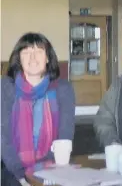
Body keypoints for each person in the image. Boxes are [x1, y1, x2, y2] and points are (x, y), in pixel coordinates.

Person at [1, 33, 75, 184]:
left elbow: (65, 136)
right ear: (19, 59)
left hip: (52, 170)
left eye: (39, 52)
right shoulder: (5, 88)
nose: (32, 58)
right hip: (13, 171)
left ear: (48, 58)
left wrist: (45, 173)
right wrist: (22, 176)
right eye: (26, 52)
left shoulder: (63, 89)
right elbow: (2, 138)